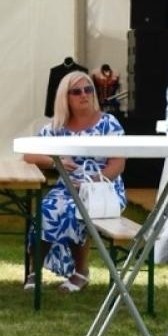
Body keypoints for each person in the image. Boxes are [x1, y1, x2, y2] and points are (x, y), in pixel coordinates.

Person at [22, 69, 126, 291]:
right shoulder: (57, 126)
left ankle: (81, 271)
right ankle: (35, 270)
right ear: (65, 97)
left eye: (88, 89)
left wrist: (92, 181)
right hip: (68, 187)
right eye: (76, 91)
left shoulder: (109, 123)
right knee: (46, 210)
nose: (84, 95)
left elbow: (118, 164)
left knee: (74, 211)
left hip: (103, 188)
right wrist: (55, 162)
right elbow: (28, 154)